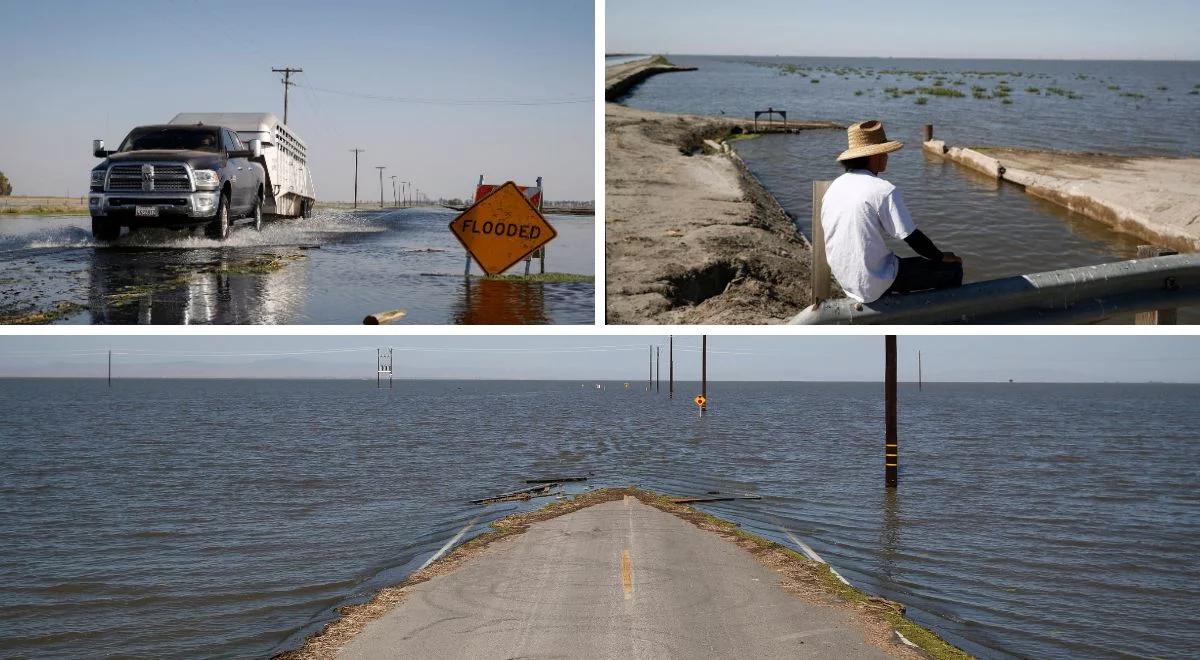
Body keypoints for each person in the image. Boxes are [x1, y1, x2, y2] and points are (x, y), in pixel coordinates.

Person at [820, 120, 963, 304]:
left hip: (845, 278)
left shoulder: (835, 186)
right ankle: (945, 320)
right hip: (873, 282)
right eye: (885, 152)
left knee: (897, 261)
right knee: (952, 269)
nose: (888, 157)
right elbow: (911, 237)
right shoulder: (883, 190)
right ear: (875, 156)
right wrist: (942, 256)